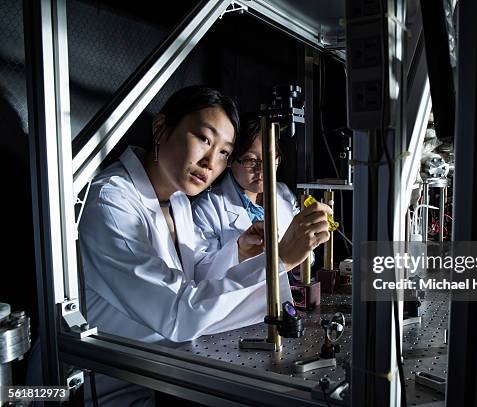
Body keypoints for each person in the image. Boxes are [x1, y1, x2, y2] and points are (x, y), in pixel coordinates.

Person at [27, 86, 332, 407]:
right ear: (161, 129)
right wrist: (279, 260)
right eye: (203, 138)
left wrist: (239, 251)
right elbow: (177, 313)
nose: (210, 162)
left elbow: (196, 280)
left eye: (225, 152)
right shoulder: (110, 202)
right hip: (86, 387)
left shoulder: (177, 201)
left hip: (149, 374)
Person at [191, 116, 312, 284]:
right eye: (251, 160)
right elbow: (202, 276)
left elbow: (304, 254)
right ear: (230, 159)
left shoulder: (283, 192)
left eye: (271, 159)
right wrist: (239, 252)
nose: (262, 170)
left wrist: (301, 263)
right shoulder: (208, 207)